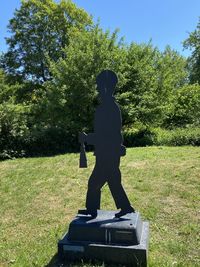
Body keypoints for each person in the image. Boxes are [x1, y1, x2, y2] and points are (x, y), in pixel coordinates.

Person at [78, 70, 135, 218]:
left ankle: (95, 209)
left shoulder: (108, 108)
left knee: (97, 183)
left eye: (99, 86)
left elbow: (107, 135)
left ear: (105, 87)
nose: (97, 89)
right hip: (107, 153)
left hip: (108, 153)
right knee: (111, 182)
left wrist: (87, 138)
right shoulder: (108, 107)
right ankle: (123, 207)